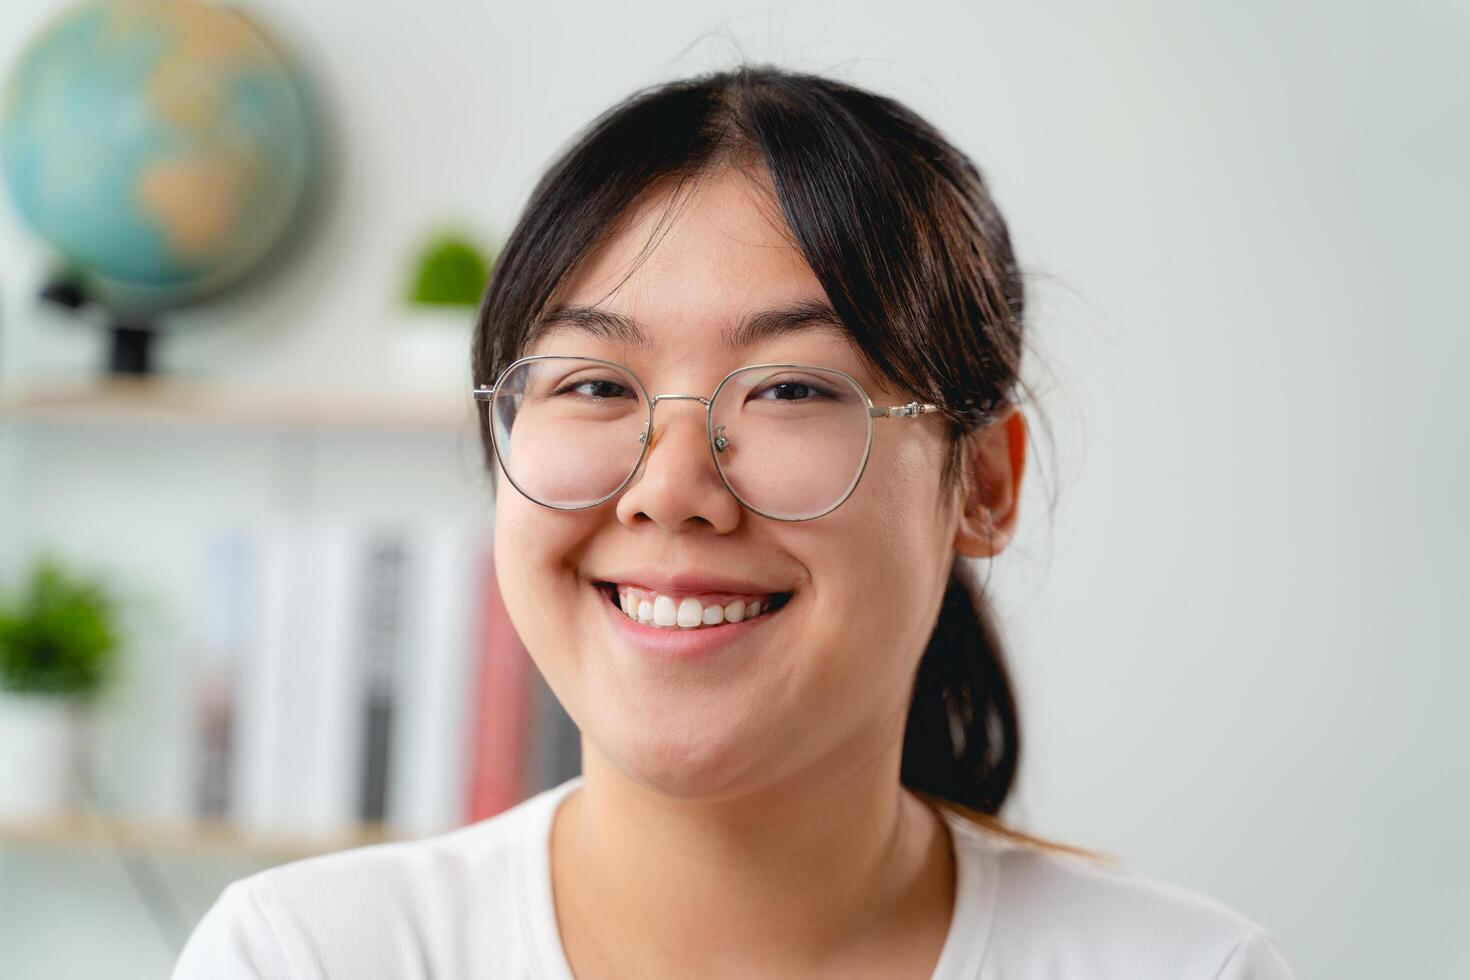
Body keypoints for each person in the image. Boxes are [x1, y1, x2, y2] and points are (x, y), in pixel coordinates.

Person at [173, 63, 1297, 979]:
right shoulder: (305, 957)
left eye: (790, 388)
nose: (670, 487)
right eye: (593, 384)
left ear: (985, 483)